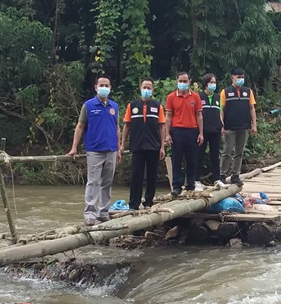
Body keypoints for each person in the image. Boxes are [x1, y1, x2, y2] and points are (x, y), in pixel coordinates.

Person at [67, 74, 121, 226]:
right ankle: (90, 213)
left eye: (107, 85)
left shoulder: (114, 107)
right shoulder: (88, 105)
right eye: (101, 85)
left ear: (110, 88)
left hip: (111, 149)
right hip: (95, 150)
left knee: (107, 182)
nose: (104, 88)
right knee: (93, 182)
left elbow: (117, 127)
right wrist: (74, 147)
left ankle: (103, 212)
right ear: (96, 87)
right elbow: (80, 126)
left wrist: (118, 147)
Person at [121, 77, 166, 210]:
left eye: (149, 88)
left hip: (153, 146)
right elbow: (127, 126)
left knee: (152, 175)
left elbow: (161, 127)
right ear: (140, 89)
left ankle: (148, 202)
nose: (146, 90)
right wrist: (123, 144)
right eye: (144, 87)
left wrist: (162, 146)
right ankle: (134, 204)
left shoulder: (158, 106)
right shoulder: (132, 105)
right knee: (136, 175)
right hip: (137, 146)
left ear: (153, 90)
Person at [165, 71, 204, 197]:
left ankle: (190, 185)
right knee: (177, 159)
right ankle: (177, 186)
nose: (182, 83)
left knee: (191, 159)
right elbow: (168, 116)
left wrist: (201, 133)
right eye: (180, 81)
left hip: (192, 131)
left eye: (185, 81)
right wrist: (167, 134)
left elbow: (199, 115)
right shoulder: (171, 97)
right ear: (177, 82)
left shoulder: (195, 97)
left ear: (189, 82)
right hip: (176, 131)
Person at [219, 67, 257, 186]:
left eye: (242, 77)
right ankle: (222, 175)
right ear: (232, 77)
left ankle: (236, 175)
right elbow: (221, 110)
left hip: (244, 126)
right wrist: (222, 125)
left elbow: (252, 108)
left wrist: (254, 125)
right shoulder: (225, 92)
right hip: (230, 127)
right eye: (238, 77)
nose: (240, 79)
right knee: (227, 152)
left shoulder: (248, 91)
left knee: (239, 152)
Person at [194, 73, 224, 191]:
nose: (213, 85)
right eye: (211, 82)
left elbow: (220, 112)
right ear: (206, 84)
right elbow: (197, 114)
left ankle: (217, 179)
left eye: (214, 82)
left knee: (215, 155)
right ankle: (196, 180)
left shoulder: (217, 97)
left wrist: (222, 125)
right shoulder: (199, 97)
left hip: (216, 130)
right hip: (203, 130)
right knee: (199, 155)